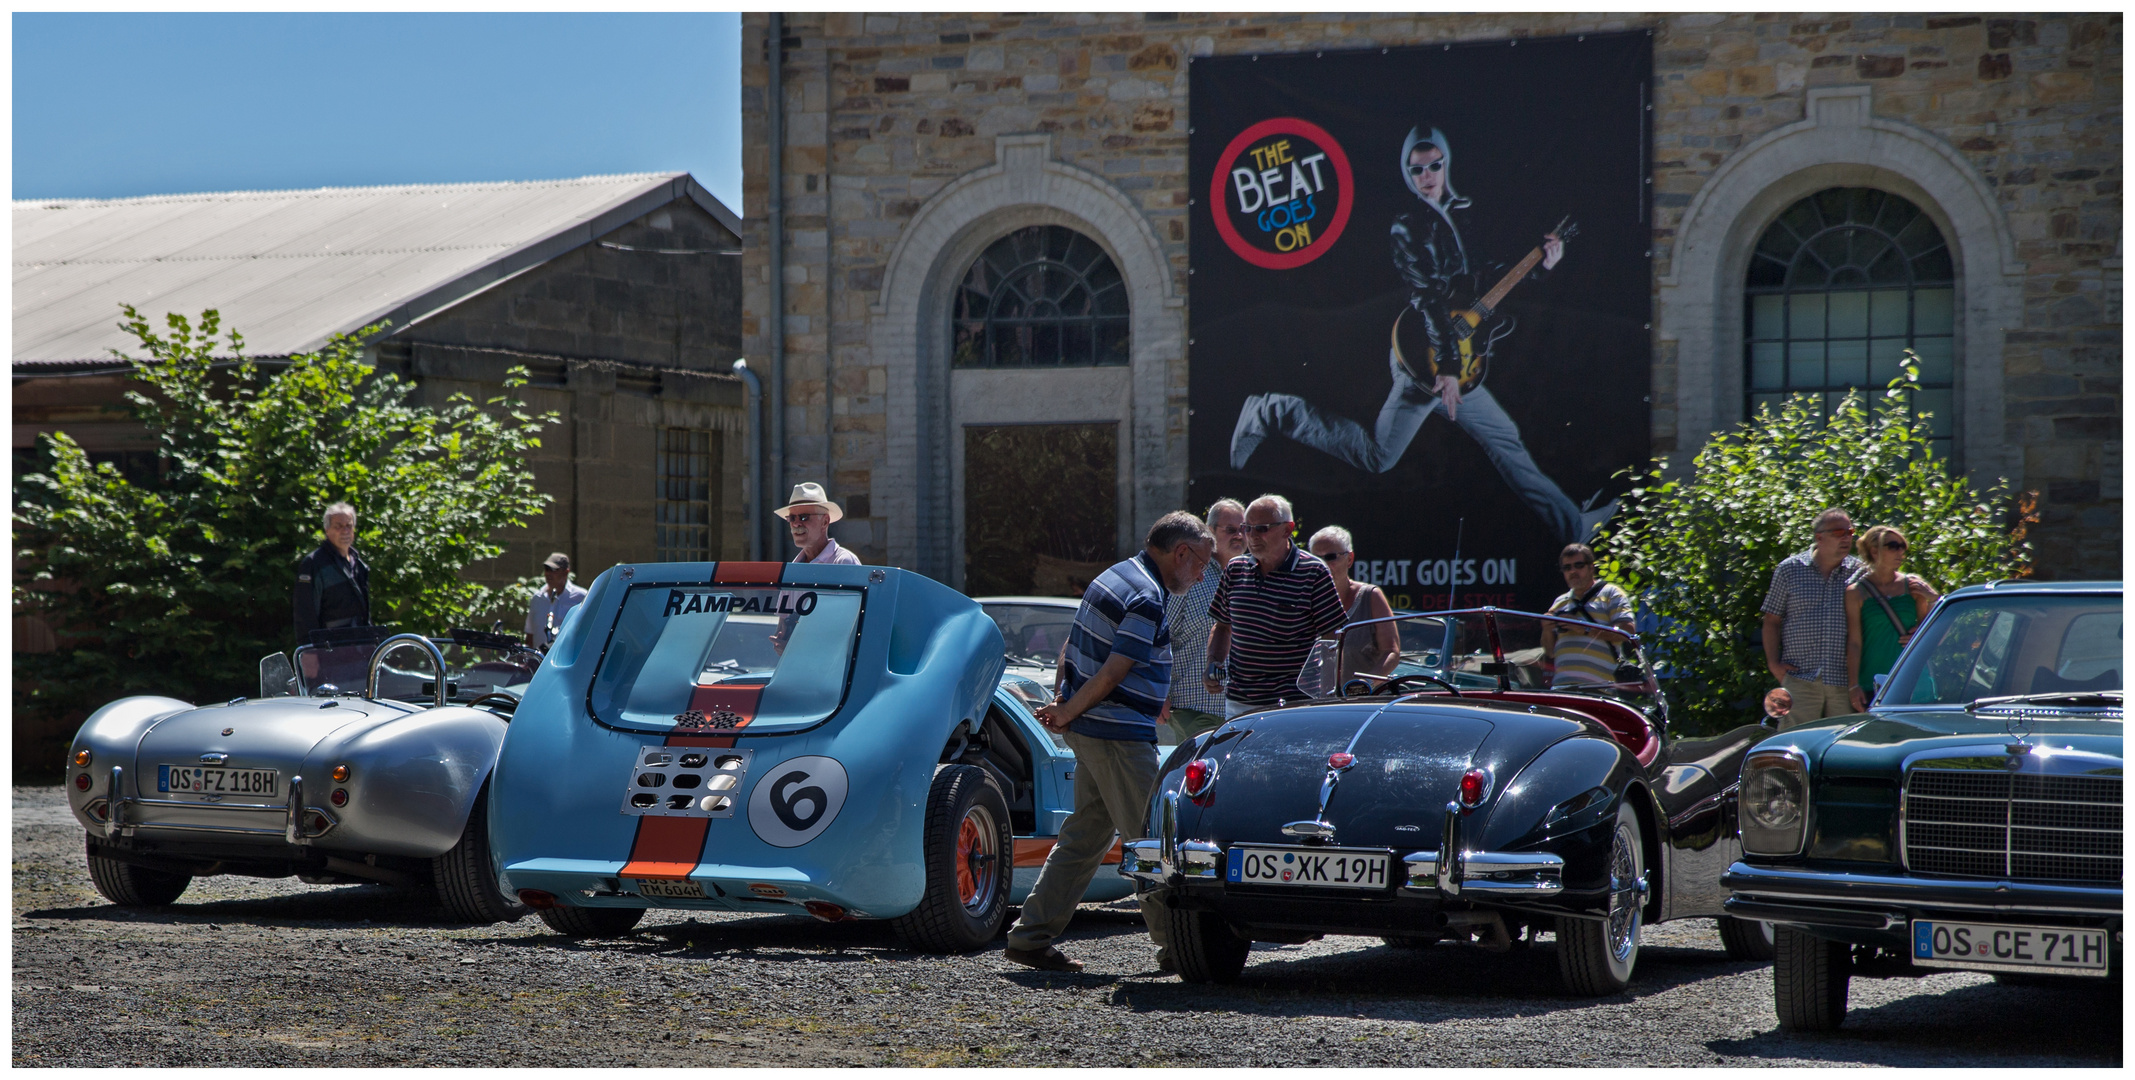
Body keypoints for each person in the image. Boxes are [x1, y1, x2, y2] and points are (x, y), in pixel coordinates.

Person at [1228, 124, 1612, 544]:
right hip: (1425, 357)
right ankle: (1271, 411)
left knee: (1505, 439)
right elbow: (1427, 297)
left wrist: (1540, 267)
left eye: (1434, 166)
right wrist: (1446, 368)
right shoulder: (1408, 226)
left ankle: (1574, 526)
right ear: (1407, 175)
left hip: (1457, 361)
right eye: (1417, 170)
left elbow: (1482, 280)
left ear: (1446, 165)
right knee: (1378, 458)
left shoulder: (1461, 212)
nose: (1427, 175)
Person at [1003, 512, 1215, 974]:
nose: (1202, 575)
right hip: (1117, 736)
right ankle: (1177, 948)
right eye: (1201, 564)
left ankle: (1030, 937)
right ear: (1181, 553)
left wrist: (1065, 704)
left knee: (1084, 838)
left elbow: (1070, 647)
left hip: (1096, 732)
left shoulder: (1115, 575)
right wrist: (1067, 710)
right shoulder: (1146, 596)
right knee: (1153, 842)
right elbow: (1114, 670)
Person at [1203, 495, 1348, 719]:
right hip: (1239, 703)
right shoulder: (1235, 569)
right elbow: (1222, 626)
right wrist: (1213, 662)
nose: (1251, 536)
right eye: (1247, 528)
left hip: (1293, 705)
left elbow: (1333, 638)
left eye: (1261, 528)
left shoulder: (1313, 572)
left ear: (1287, 530)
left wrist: (1326, 698)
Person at [1761, 508, 1867, 726]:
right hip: (1799, 679)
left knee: (1845, 749)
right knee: (1793, 746)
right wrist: (1774, 664)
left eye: (1850, 532)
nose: (1847, 538)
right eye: (1840, 533)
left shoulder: (1860, 572)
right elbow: (1771, 620)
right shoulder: (1789, 570)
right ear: (1820, 537)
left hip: (1844, 679)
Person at [1165, 498, 1247, 743]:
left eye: (1244, 529)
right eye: (1230, 529)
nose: (1239, 535)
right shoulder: (1191, 575)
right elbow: (1160, 635)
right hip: (1193, 708)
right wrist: (1161, 693)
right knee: (1199, 778)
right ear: (1210, 533)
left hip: (1241, 709)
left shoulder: (1252, 575)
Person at [1846, 525, 1940, 712]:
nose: (1900, 551)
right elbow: (1854, 642)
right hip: (1873, 680)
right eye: (1893, 546)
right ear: (1874, 551)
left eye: (1902, 546)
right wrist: (1853, 685)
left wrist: (1934, 598)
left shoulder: (1913, 586)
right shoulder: (1856, 592)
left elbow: (1933, 633)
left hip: (1913, 680)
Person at [1306, 525, 1398, 684]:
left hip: (1359, 702)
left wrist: (1364, 684)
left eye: (1331, 557)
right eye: (1317, 558)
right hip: (1312, 701)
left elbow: (1391, 651)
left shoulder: (1370, 596)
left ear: (1349, 559)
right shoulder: (1303, 598)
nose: (1324, 565)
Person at [1540, 543, 1637, 688]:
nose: (1573, 571)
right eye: (1567, 568)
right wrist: (1546, 629)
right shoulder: (1560, 602)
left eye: (1578, 565)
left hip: (1599, 688)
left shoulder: (1611, 593)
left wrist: (1584, 629)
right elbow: (1549, 652)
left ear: (1591, 567)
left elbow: (1627, 632)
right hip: (1562, 688)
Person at [293, 501, 370, 645]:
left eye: (349, 526)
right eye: (338, 526)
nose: (345, 531)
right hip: (329, 650)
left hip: (360, 647)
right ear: (327, 530)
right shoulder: (314, 563)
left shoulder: (358, 563)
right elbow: (305, 613)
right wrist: (309, 651)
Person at [775, 482, 862, 565]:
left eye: (804, 517)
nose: (796, 524)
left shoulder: (844, 562)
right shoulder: (794, 567)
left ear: (825, 522)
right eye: (792, 518)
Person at [525, 552, 588, 649]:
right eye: (547, 569)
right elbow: (530, 635)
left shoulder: (581, 597)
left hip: (566, 660)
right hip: (538, 661)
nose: (548, 574)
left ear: (566, 572)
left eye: (554, 570)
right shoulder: (537, 598)